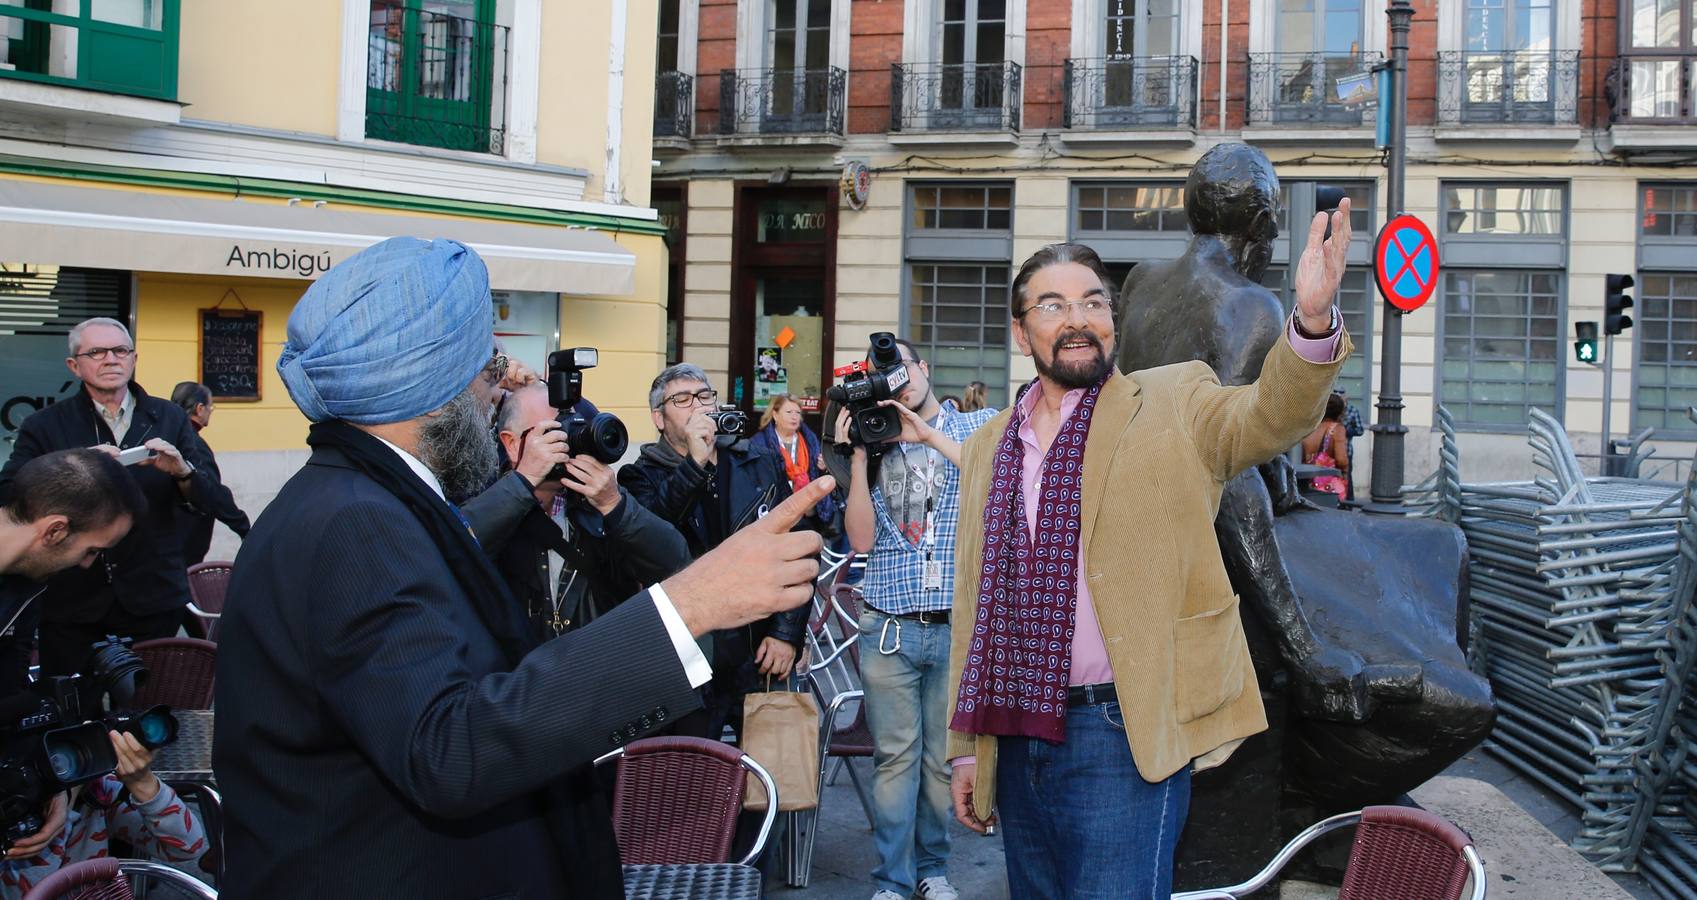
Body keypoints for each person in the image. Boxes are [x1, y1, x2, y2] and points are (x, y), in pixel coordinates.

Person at [213, 237, 834, 899]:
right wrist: (688, 608)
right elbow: (449, 748)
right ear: (432, 388)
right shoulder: (356, 521)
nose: (500, 386)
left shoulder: (364, 501)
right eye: (487, 367)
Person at [947, 209, 1354, 897]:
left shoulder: (1171, 400)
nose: (1077, 319)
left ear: (1112, 318)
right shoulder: (988, 446)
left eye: (1093, 301)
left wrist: (1310, 322)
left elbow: (1268, 416)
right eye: (1052, 305)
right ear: (1021, 333)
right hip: (1015, 726)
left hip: (1122, 729)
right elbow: (973, 608)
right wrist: (965, 751)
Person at [836, 338, 996, 900]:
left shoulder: (978, 422)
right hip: (889, 626)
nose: (897, 383)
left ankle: (933, 872)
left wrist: (927, 435)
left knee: (939, 763)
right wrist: (858, 454)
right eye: (885, 376)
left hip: (954, 625)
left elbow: (998, 477)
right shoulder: (876, 443)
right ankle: (891, 882)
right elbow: (858, 540)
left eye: (901, 369)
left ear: (924, 369)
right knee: (893, 762)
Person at [0, 319, 220, 679]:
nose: (110, 360)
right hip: (71, 599)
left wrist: (182, 472)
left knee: (149, 711)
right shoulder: (45, 424)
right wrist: (75, 467)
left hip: (152, 593)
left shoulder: (169, 417)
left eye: (120, 351)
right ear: (75, 365)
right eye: (96, 352)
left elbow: (212, 501)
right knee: (70, 713)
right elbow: (10, 495)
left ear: (134, 359)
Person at [619, 364, 807, 740]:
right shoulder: (640, 476)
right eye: (682, 399)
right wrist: (694, 463)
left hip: (756, 645)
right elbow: (651, 539)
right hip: (688, 651)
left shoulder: (757, 462)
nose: (699, 406)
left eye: (705, 396)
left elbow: (796, 545)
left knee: (770, 773)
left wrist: (787, 633)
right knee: (690, 776)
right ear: (659, 418)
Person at [0, 449, 144, 868]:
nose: (87, 565)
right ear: (56, 530)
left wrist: (51, 788)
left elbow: (13, 699)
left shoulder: (28, 582)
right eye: (92, 550)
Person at [469, 381, 691, 640]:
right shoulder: (483, 495)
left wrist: (614, 506)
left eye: (575, 430)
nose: (569, 444)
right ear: (511, 443)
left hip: (592, 667)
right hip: (516, 672)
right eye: (554, 432)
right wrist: (524, 481)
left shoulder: (599, 502)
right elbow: (457, 547)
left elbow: (675, 563)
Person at [1, 730, 208, 898]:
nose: (62, 768)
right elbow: (35, 891)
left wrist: (142, 783)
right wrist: (61, 809)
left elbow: (188, 846)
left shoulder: (97, 794)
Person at [168, 381, 251, 566]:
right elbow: (212, 491)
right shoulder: (192, 443)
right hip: (184, 540)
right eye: (210, 406)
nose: (211, 411)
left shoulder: (167, 434)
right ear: (199, 408)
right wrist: (243, 526)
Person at [751, 394, 839, 537]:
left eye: (797, 413)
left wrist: (823, 467)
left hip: (809, 512)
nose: (794, 417)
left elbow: (818, 474)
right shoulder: (759, 443)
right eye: (789, 412)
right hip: (777, 511)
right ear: (775, 415)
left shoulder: (810, 439)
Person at [1301, 393, 1351, 502]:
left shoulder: (1308, 427)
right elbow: (1341, 460)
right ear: (1340, 411)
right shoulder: (1337, 429)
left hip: (1305, 482)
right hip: (1327, 487)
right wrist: (1345, 472)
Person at [1336, 388, 1366, 500]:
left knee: (1347, 476)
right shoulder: (1330, 409)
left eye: (1341, 396)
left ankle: (1348, 502)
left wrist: (1346, 431)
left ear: (1345, 397)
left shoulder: (1352, 410)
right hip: (1329, 450)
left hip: (1346, 449)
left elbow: (1360, 430)